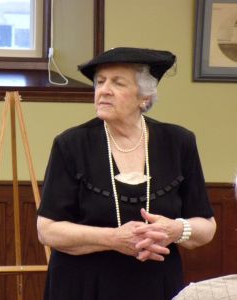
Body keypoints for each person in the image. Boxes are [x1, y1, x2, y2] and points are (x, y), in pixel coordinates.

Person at [36, 47, 217, 300]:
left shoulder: (178, 142)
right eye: (100, 82)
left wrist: (176, 230)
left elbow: (206, 227)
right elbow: (47, 230)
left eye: (117, 83)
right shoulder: (71, 144)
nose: (104, 90)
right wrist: (113, 238)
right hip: (82, 286)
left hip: (156, 285)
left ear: (144, 97)